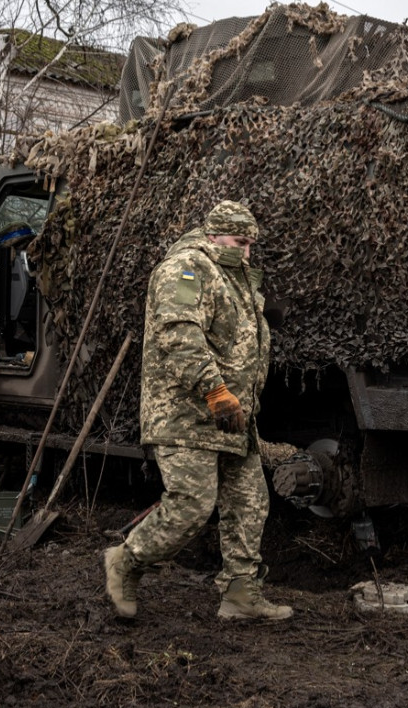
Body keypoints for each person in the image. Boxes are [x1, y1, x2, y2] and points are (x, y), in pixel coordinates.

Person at [103, 200, 291, 622]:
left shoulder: (235, 278)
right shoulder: (185, 270)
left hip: (231, 417)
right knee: (191, 504)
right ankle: (126, 561)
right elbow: (179, 336)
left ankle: (241, 595)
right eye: (240, 243)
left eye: (250, 246)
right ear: (214, 235)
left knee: (250, 501)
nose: (246, 252)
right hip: (187, 414)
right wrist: (215, 392)